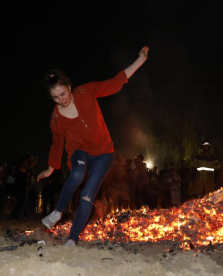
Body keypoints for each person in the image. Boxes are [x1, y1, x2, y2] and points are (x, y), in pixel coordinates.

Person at [37, 46, 149, 246]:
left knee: (88, 196)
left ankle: (72, 240)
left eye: (62, 94)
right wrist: (51, 168)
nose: (61, 100)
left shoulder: (86, 91)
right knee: (77, 174)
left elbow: (115, 82)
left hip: (104, 154)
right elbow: (57, 142)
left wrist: (140, 60)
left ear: (69, 87)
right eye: (55, 97)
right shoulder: (56, 116)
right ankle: (56, 213)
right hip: (79, 151)